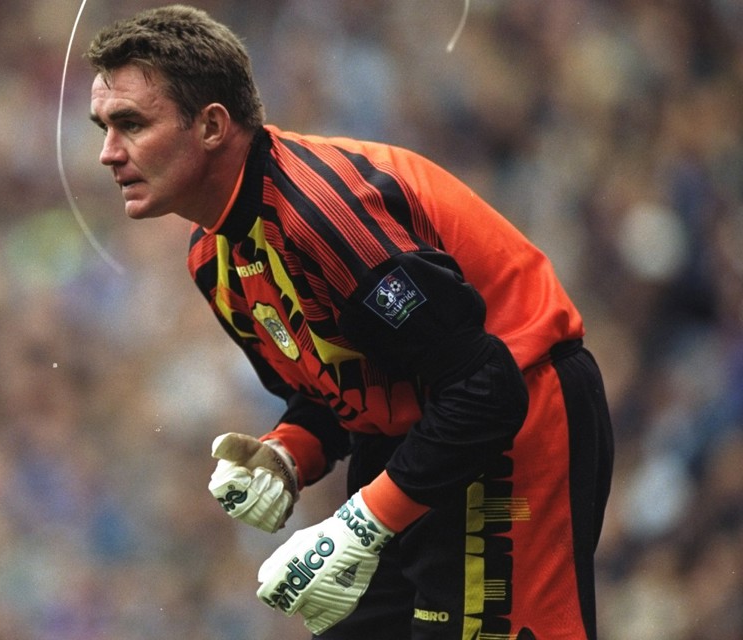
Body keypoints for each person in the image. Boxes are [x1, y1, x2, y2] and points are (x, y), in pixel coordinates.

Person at [85, 5, 614, 639]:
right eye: (104, 127)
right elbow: (334, 395)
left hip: (519, 418)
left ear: (212, 126)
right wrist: (287, 455)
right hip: (425, 433)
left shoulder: (322, 216)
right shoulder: (211, 257)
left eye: (131, 125)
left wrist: (362, 523)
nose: (106, 154)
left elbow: (485, 385)